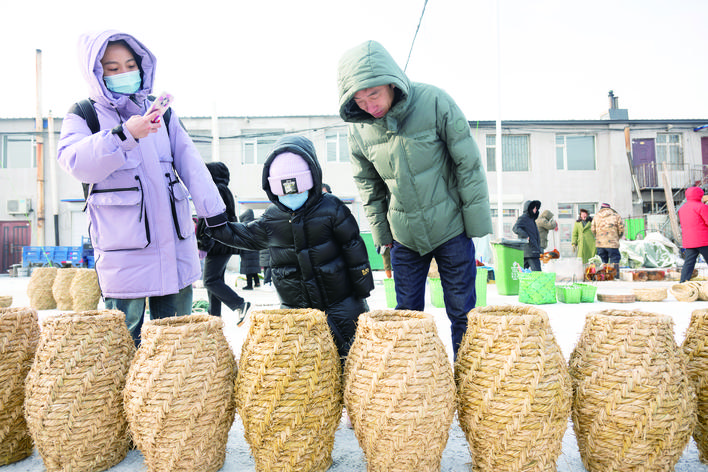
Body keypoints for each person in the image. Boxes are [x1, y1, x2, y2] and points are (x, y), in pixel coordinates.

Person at [57, 30, 228, 347]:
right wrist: (123, 135)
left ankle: (173, 396)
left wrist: (214, 213)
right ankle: (123, 396)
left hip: (173, 246)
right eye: (113, 68)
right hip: (125, 252)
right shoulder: (85, 114)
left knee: (177, 340)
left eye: (130, 64)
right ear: (96, 72)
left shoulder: (161, 111)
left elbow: (189, 160)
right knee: (124, 341)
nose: (124, 73)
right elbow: (74, 161)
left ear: (142, 65)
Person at [336, 40, 492, 357]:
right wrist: (382, 235)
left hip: (452, 228)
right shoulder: (359, 130)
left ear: (390, 81)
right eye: (360, 100)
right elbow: (368, 186)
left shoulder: (434, 101)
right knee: (406, 316)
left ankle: (467, 378)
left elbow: (468, 163)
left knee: (463, 311)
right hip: (404, 236)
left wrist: (475, 224)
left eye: (374, 94)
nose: (369, 105)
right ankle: (413, 383)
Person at [208, 135, 374, 360]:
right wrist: (214, 223)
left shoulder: (332, 208)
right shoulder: (272, 218)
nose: (292, 194)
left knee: (353, 359)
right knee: (306, 369)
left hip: (342, 304)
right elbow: (242, 234)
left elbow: (354, 248)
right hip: (295, 311)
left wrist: (363, 287)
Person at [196, 162, 250, 323]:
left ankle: (240, 304)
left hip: (216, 243)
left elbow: (209, 219)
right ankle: (214, 319)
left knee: (210, 281)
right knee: (216, 280)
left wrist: (203, 243)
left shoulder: (215, 189)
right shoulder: (223, 189)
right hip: (222, 242)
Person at [678, 187, 708, 282]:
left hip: (689, 242)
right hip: (704, 241)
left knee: (688, 264)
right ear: (700, 195)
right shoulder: (702, 207)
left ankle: (682, 284)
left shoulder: (682, 208)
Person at [512, 200, 542, 271]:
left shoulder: (531, 219)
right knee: (537, 273)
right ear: (528, 208)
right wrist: (525, 236)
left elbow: (535, 237)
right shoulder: (524, 218)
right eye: (534, 208)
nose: (535, 210)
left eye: (536, 208)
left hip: (529, 251)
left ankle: (519, 282)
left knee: (521, 271)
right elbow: (515, 228)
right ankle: (537, 282)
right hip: (530, 251)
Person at [238, 209, 261, 290]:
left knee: (248, 269)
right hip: (255, 249)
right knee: (253, 267)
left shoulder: (243, 225)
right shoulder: (256, 224)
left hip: (246, 250)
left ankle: (249, 285)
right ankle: (257, 282)